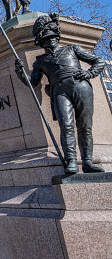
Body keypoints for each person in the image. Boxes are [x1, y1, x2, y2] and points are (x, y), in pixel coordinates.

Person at [15, 13, 105, 174]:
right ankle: (71, 161)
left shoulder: (72, 48)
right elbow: (33, 83)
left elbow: (99, 61)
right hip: (59, 91)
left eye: (52, 38)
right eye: (46, 39)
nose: (50, 41)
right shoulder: (40, 60)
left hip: (81, 87)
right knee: (66, 126)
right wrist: (20, 72)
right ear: (42, 42)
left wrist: (89, 74)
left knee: (85, 126)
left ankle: (87, 162)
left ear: (57, 37)